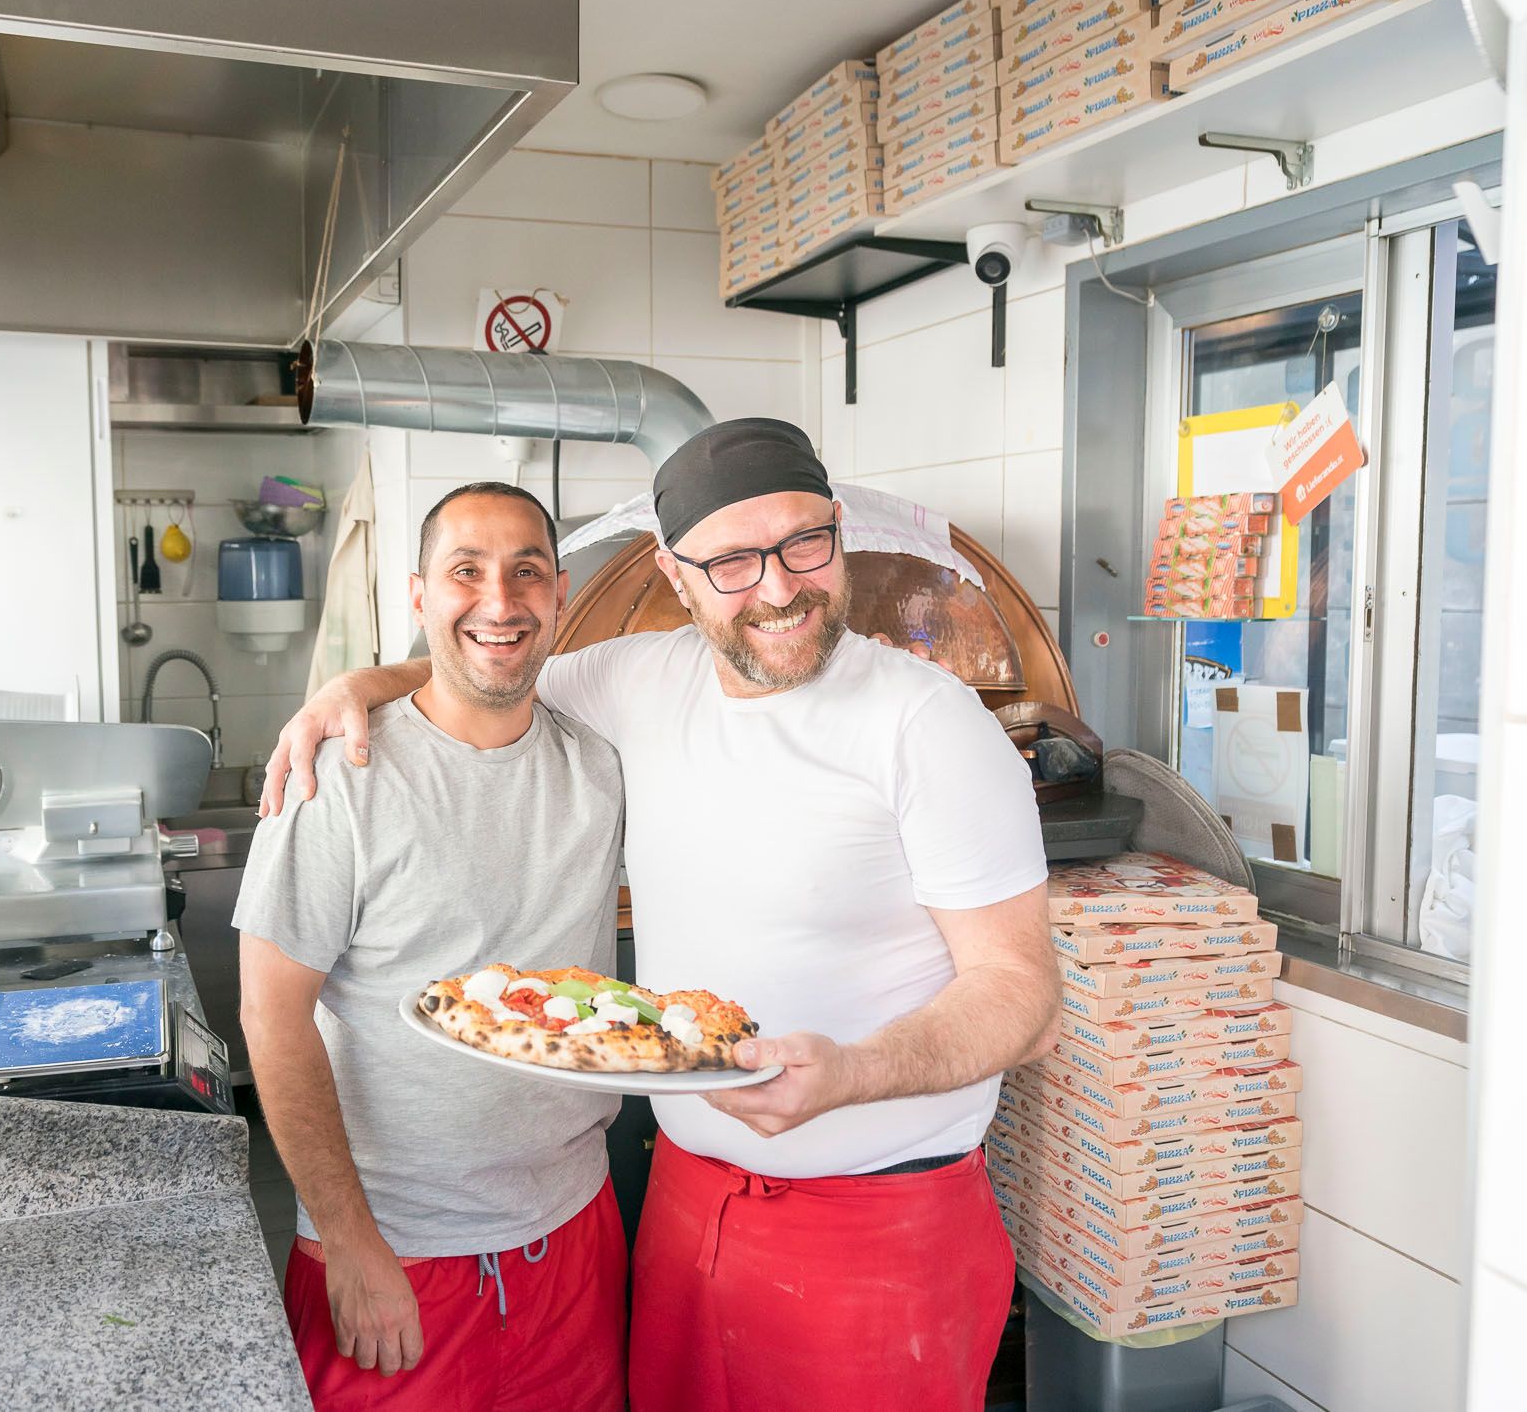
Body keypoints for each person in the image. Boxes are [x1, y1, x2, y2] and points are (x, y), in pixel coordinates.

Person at [260, 420, 1059, 1412]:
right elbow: (483, 670)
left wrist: (857, 1072)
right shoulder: (636, 679)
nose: (775, 588)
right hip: (684, 1207)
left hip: (879, 1220)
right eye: (730, 561)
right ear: (673, 574)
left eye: (803, 544)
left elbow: (1020, 992)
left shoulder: (926, 724)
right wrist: (349, 689)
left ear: (838, 532)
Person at [235, 480, 628, 1411]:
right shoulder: (341, 778)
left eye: (526, 572)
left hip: (576, 1235)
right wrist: (353, 1243)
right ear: (419, 597)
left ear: (560, 594)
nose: (499, 601)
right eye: (466, 572)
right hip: (398, 1256)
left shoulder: (599, 768)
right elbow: (271, 1013)